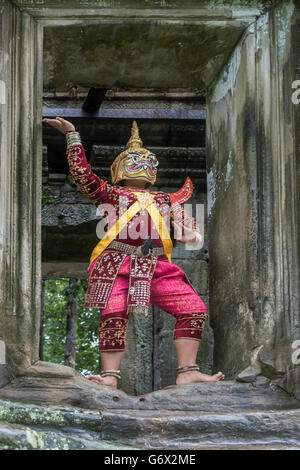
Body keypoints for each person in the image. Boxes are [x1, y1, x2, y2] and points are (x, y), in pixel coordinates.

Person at [43, 116, 225, 389]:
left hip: (157, 265)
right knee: (113, 313)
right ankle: (110, 378)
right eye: (134, 162)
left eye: (146, 163)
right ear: (120, 168)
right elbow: (83, 175)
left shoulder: (165, 199)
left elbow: (187, 227)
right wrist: (72, 136)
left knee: (194, 309)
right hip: (115, 262)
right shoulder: (111, 194)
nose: (141, 167)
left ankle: (188, 370)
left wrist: (190, 231)